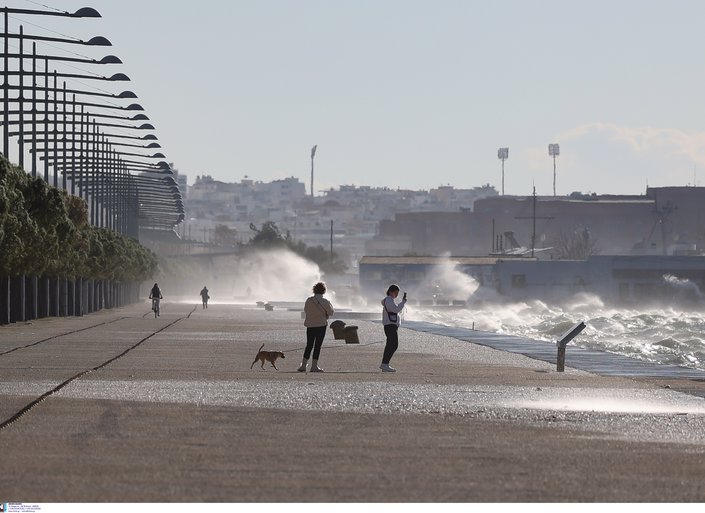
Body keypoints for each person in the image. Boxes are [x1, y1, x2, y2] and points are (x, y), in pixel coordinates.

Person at [299, 281, 335, 373]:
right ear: (324, 291)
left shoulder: (309, 300)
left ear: (314, 290)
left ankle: (303, 366)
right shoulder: (325, 301)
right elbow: (331, 313)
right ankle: (314, 366)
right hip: (321, 325)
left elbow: (306, 310)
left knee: (309, 345)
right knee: (317, 346)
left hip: (310, 325)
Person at [380, 284, 407, 372]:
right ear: (391, 291)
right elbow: (395, 310)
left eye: (397, 293)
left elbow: (395, 310)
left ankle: (385, 364)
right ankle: (385, 364)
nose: (397, 295)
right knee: (393, 345)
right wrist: (402, 303)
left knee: (391, 345)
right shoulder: (388, 300)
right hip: (390, 326)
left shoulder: (389, 300)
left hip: (391, 326)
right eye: (395, 292)